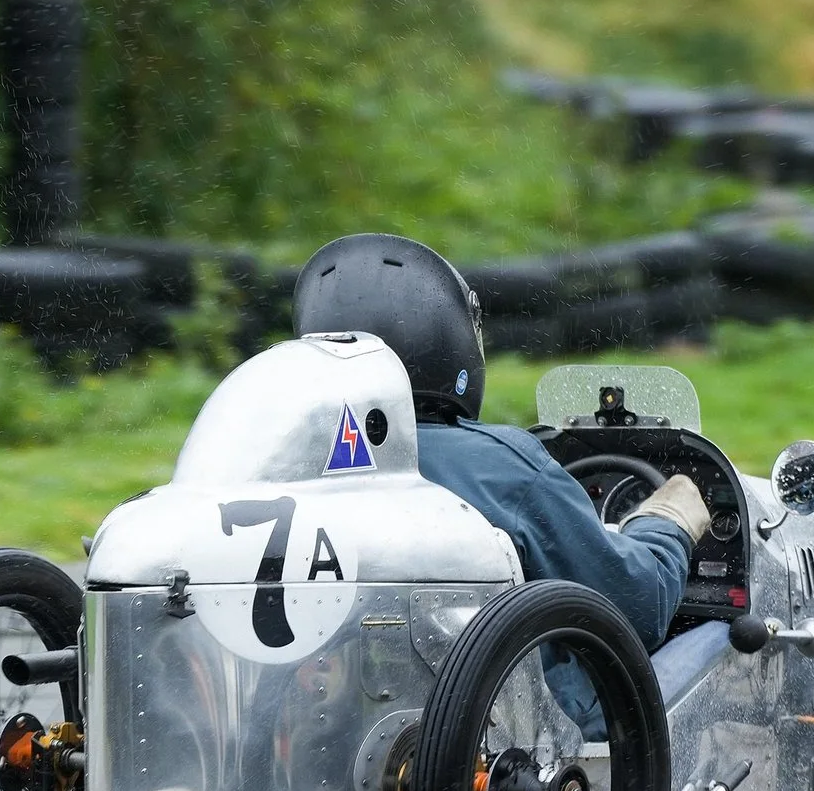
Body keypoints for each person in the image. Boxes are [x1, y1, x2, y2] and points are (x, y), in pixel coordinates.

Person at [292, 233, 708, 651]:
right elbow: (640, 609)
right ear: (446, 337)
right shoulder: (500, 468)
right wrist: (665, 524)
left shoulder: (283, 465)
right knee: (715, 638)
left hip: (337, 684)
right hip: (507, 695)